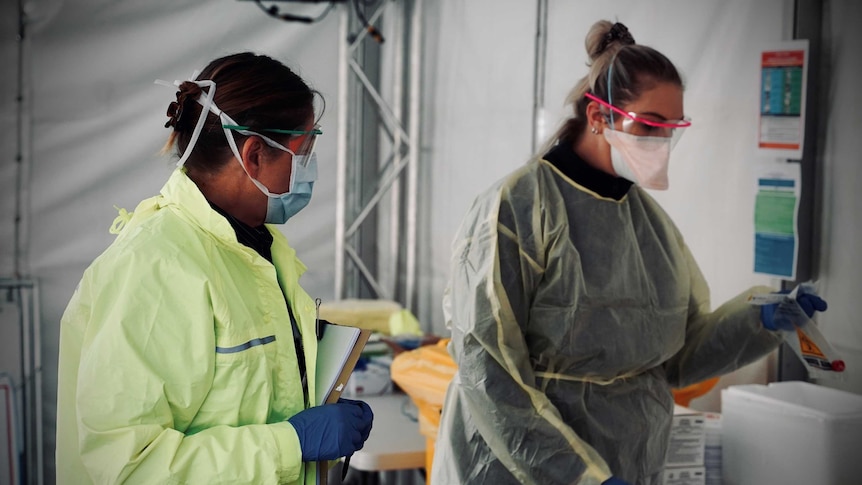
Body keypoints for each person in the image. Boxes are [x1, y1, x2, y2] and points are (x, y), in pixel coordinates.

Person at [430, 21, 827, 485]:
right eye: (649, 126)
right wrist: (577, 476)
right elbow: (489, 371)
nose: (660, 143)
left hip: (631, 462)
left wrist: (757, 320)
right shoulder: (518, 208)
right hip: (517, 469)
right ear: (599, 117)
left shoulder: (650, 226)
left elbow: (675, 359)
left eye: (671, 129)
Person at [55, 52, 373, 484]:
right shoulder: (155, 267)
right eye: (304, 151)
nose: (309, 170)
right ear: (255, 153)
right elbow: (128, 468)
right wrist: (291, 444)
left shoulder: (255, 246)